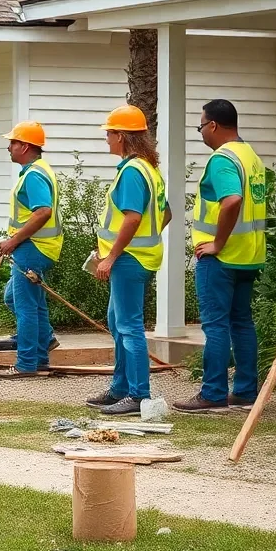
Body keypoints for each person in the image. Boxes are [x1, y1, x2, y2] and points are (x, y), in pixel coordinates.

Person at [175, 99, 267, 414]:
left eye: (200, 126)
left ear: (213, 125)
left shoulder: (222, 159)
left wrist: (216, 243)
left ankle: (212, 394)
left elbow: (232, 201)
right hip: (248, 255)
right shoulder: (251, 157)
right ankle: (244, 392)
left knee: (215, 325)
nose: (200, 132)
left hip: (222, 258)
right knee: (242, 322)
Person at [90, 105, 171, 416]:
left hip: (129, 260)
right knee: (117, 322)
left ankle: (138, 394)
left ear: (121, 136)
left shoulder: (133, 172)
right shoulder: (149, 170)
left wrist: (112, 255)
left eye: (109, 134)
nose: (106, 139)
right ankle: (121, 387)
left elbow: (133, 218)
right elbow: (166, 214)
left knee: (128, 326)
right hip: (139, 256)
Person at [0, 122, 63, 374]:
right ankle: (43, 348)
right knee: (18, 299)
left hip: (33, 247)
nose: (9, 147)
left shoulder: (34, 175)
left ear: (24, 146)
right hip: (40, 247)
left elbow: (43, 211)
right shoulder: (38, 170)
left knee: (26, 307)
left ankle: (26, 364)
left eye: (12, 143)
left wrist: (13, 240)